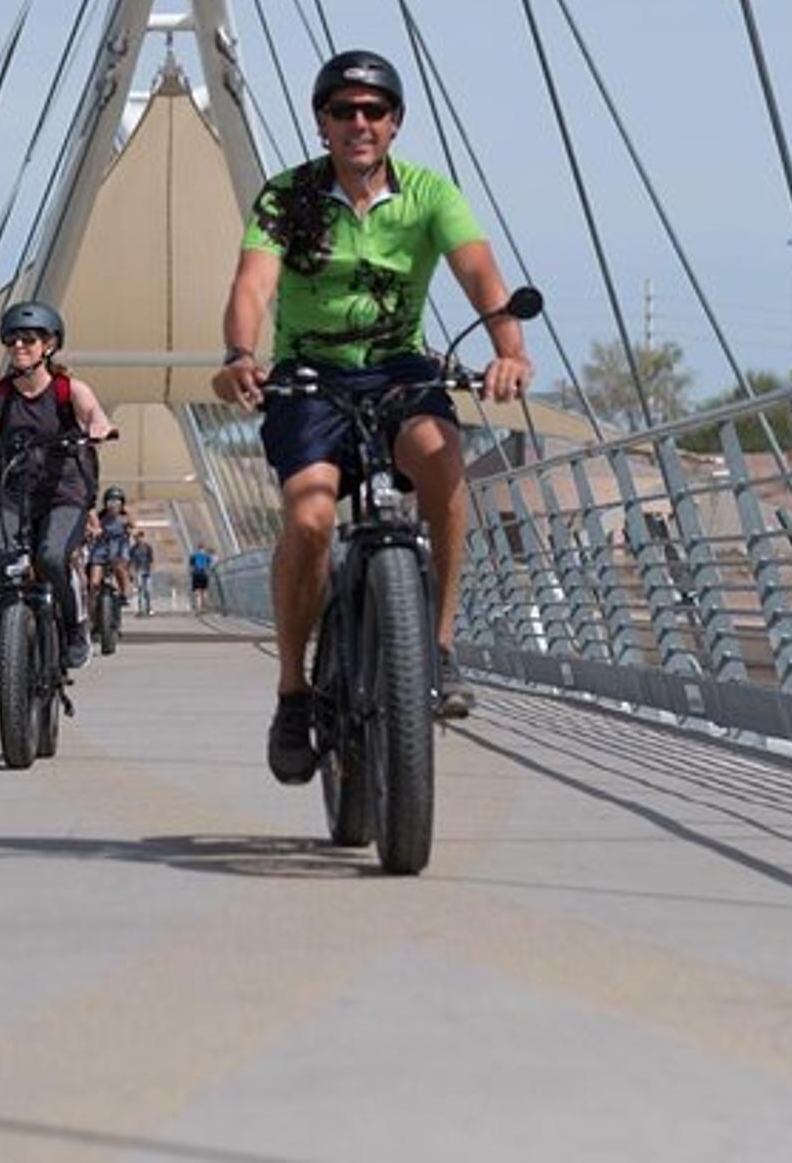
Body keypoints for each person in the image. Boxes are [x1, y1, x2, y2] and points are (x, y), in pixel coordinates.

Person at [212, 49, 532, 785]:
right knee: (312, 519)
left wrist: (509, 349)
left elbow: (480, 271)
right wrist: (238, 352)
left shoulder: (429, 194)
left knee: (441, 456)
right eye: (343, 110)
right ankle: (294, 690)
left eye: (374, 111)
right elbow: (252, 284)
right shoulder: (286, 197)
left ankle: (441, 644)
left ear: (395, 123)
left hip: (398, 369)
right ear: (321, 123)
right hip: (308, 376)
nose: (359, 123)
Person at [0, 301, 114, 698]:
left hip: (63, 494)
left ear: (49, 345)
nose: (20, 345)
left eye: (29, 339)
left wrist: (99, 426)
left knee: (51, 557)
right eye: (12, 339)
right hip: (12, 493)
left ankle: (74, 629)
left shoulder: (69, 389)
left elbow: (92, 414)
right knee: (0, 571)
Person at [85, 485, 133, 612]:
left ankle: (124, 593)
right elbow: (90, 527)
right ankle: (91, 607)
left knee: (119, 567)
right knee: (94, 582)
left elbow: (135, 527)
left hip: (119, 548)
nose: (113, 505)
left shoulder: (125, 516)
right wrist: (91, 531)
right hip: (101, 548)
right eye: (110, 502)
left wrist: (132, 531)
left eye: (117, 502)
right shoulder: (100, 517)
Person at [127, 527, 155, 616]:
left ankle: (149, 608)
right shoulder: (133, 549)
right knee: (139, 590)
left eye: (140, 536)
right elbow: (130, 561)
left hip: (146, 570)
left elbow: (151, 559)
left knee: (147, 591)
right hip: (138, 570)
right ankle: (140, 609)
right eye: (137, 537)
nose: (139, 539)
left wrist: (151, 570)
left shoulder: (147, 547)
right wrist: (131, 572)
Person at [187, 543, 215, 612]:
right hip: (204, 574)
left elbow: (191, 565)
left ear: (197, 548)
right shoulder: (207, 556)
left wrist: (192, 573)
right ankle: (206, 607)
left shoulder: (193, 555)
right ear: (203, 548)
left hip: (196, 575)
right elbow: (210, 564)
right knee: (205, 591)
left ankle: (199, 608)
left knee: (197, 592)